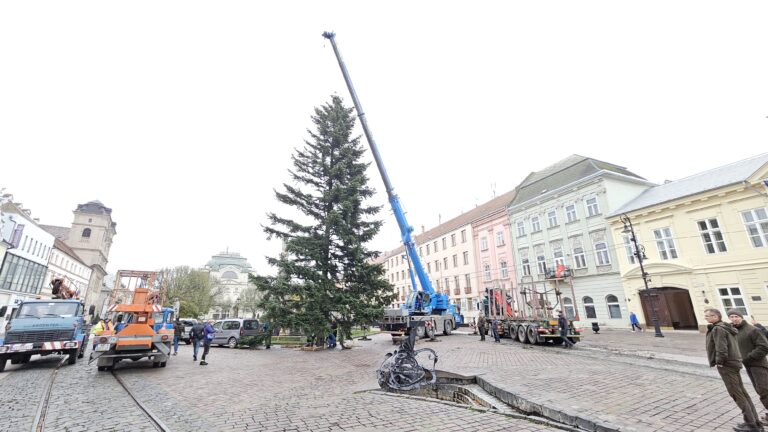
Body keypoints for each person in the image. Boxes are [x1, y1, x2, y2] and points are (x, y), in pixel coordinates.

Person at [705, 308, 761, 432]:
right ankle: (755, 422)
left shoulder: (718, 329)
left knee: (737, 394)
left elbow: (721, 348)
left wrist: (719, 362)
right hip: (733, 363)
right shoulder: (726, 327)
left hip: (727, 365)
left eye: (708, 316)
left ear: (715, 317)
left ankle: (751, 425)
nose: (706, 318)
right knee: (742, 393)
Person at [728, 309, 768, 424]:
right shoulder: (734, 331)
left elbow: (764, 347)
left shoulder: (752, 330)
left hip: (758, 365)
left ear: (741, 317)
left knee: (764, 389)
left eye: (736, 316)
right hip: (749, 365)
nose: (734, 319)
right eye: (731, 317)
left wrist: (748, 358)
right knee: (760, 390)